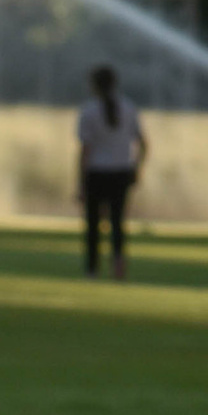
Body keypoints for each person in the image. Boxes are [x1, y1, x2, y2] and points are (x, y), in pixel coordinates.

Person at [76, 62, 145, 278]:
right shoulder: (129, 108)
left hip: (96, 172)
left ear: (94, 85)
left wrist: (80, 182)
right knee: (117, 222)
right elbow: (143, 144)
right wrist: (136, 168)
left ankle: (92, 269)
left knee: (93, 223)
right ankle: (118, 265)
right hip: (122, 172)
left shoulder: (88, 111)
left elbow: (85, 150)